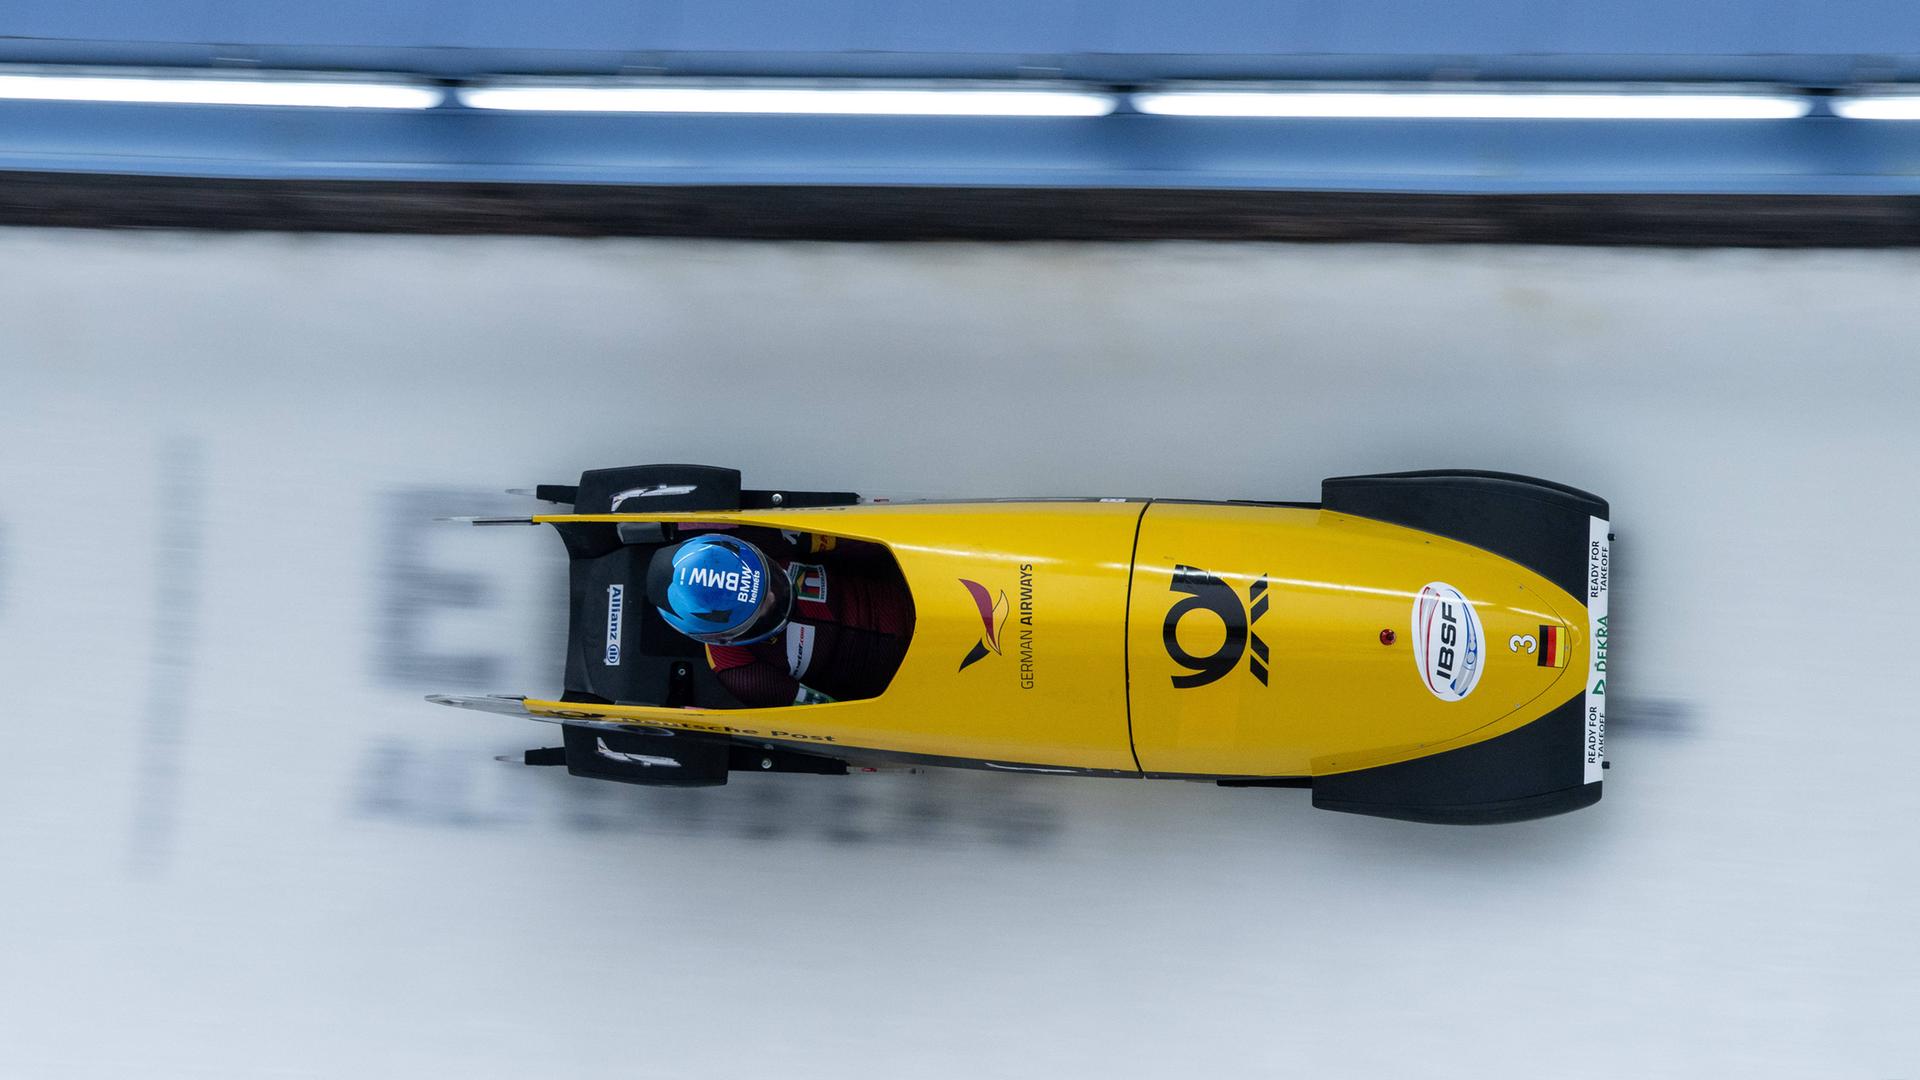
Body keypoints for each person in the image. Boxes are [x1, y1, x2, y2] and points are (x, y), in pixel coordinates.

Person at [644, 528, 912, 707]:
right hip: (905, 679)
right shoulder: (739, 670)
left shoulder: (767, 539)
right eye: (758, 609)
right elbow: (827, 709)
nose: (772, 597)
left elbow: (864, 543)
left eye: (767, 582)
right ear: (726, 635)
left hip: (914, 590)